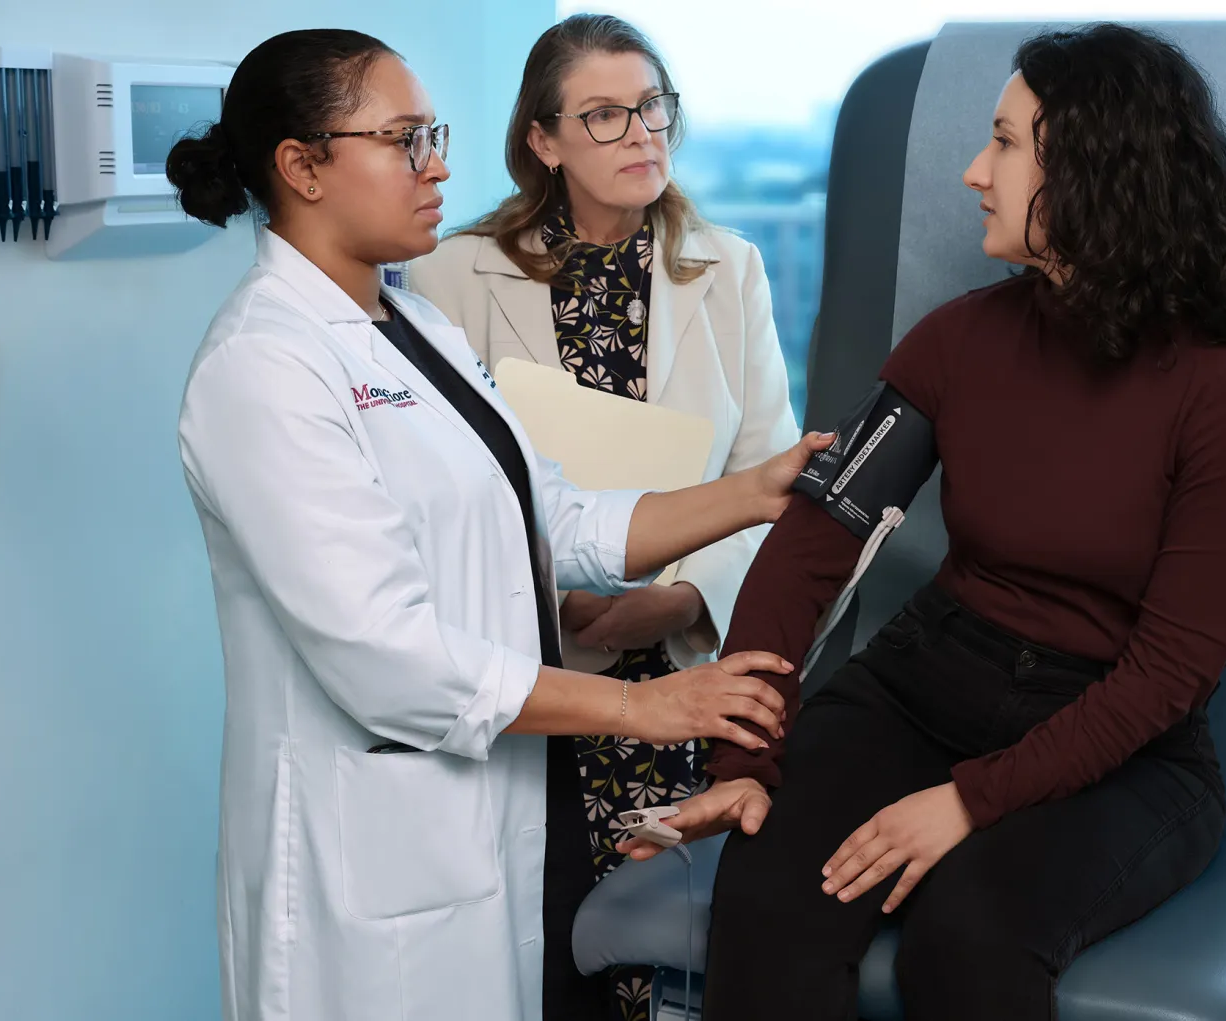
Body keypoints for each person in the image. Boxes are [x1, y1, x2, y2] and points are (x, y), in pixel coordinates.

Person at [617, 24, 1226, 1019]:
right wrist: (746, 759)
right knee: (772, 893)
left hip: (1124, 745)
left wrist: (967, 803)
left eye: (1002, 142)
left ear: (1090, 167)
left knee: (969, 938)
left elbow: (1169, 675)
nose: (971, 171)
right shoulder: (959, 340)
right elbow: (807, 553)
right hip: (924, 684)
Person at [166, 29, 828, 1021]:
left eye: (431, 134)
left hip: (493, 810)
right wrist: (643, 708)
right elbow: (388, 655)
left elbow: (548, 513)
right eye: (401, 140)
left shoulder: (411, 328)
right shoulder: (263, 366)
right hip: (378, 857)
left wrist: (756, 491)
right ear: (300, 167)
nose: (436, 164)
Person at [404, 14, 799, 1019]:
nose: (642, 134)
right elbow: (440, 492)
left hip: (681, 674)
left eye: (654, 107)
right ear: (543, 141)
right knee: (548, 948)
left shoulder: (730, 269)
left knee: (670, 961)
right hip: (536, 668)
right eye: (606, 114)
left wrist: (675, 599)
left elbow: (768, 491)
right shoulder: (451, 278)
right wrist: (566, 599)